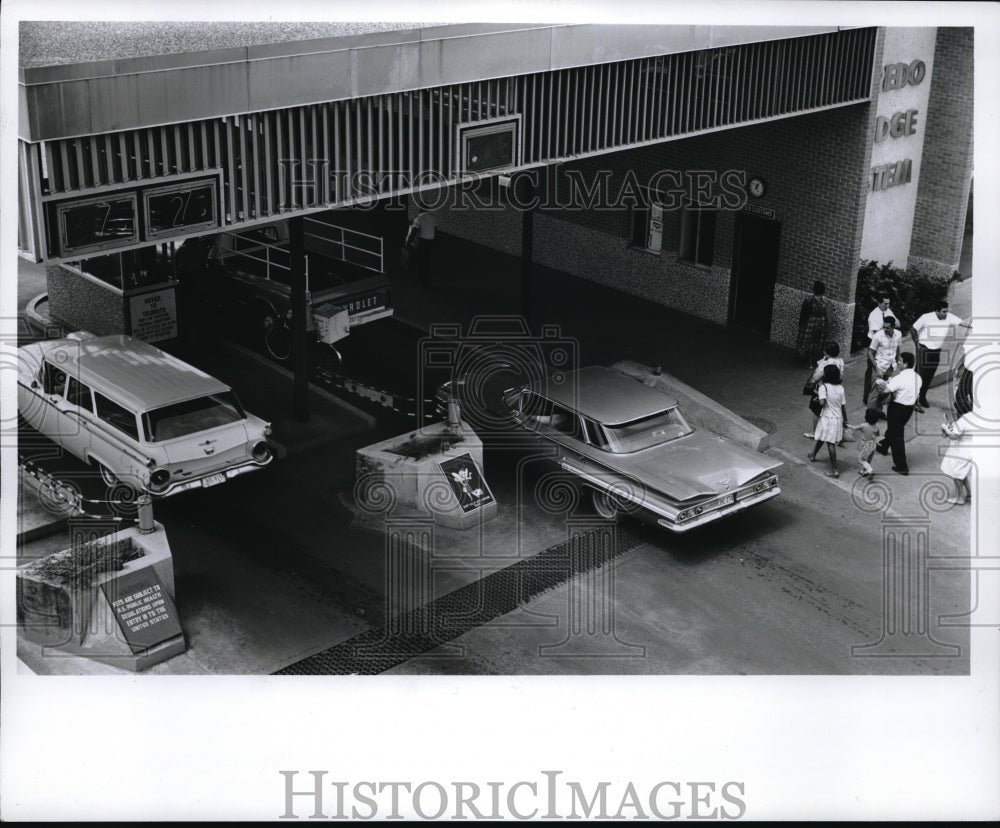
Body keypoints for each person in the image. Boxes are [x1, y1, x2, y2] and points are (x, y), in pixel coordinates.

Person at [910, 299, 972, 411]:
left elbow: (962, 323)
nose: (946, 314)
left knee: (929, 376)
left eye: (947, 311)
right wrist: (917, 345)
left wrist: (977, 327)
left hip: (936, 352)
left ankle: (922, 397)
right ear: (937, 311)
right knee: (919, 376)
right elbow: (913, 329)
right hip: (924, 350)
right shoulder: (926, 317)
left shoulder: (948, 317)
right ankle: (913, 401)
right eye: (944, 311)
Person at [874, 351, 922, 475]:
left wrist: (882, 385)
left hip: (897, 408)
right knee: (894, 429)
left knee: (897, 436)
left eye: (900, 361)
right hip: (909, 408)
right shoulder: (918, 378)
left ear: (905, 364)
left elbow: (885, 391)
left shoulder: (900, 378)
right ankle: (884, 446)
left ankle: (902, 465)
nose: (898, 362)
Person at [807, 363, 847, 478]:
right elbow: (842, 406)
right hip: (838, 417)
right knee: (824, 437)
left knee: (830, 443)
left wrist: (818, 396)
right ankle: (813, 454)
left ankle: (835, 470)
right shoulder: (840, 388)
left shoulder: (823, 387)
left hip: (827, 418)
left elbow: (822, 403)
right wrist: (846, 420)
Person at [803, 341, 845, 439]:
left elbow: (816, 377)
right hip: (836, 389)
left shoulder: (826, 363)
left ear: (828, 353)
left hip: (823, 389)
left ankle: (815, 433)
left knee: (817, 411)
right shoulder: (840, 362)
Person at [863, 295, 894, 405]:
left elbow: (897, 322)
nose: (888, 306)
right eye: (885, 303)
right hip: (875, 344)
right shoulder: (874, 316)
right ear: (879, 303)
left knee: (883, 371)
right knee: (872, 370)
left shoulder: (887, 310)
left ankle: (879, 397)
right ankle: (867, 397)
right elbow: (877, 335)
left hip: (884, 344)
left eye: (888, 303)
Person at [940, 412, 975, 505]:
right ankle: (970, 493)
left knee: (957, 474)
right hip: (973, 449)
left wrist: (945, 427)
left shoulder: (966, 419)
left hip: (961, 451)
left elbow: (953, 436)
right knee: (962, 472)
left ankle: (959, 497)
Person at [867, 316, 902, 410]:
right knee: (874, 393)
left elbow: (898, 348)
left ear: (893, 327)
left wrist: (898, 361)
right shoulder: (877, 336)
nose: (885, 329)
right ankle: (871, 415)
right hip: (879, 367)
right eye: (884, 327)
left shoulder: (898, 334)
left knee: (885, 391)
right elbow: (870, 353)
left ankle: (878, 411)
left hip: (891, 367)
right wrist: (876, 368)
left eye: (887, 327)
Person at [797, 280, 828, 367]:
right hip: (820, 323)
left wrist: (801, 324)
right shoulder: (825, 301)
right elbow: (826, 314)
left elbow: (803, 314)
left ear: (814, 290)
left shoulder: (809, 300)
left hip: (809, 323)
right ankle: (813, 361)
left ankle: (808, 361)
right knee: (816, 343)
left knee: (807, 342)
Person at [846, 408, 882, 477]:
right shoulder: (877, 426)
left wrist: (848, 425)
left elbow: (854, 428)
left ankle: (870, 470)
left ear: (866, 418)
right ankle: (864, 471)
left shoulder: (863, 425)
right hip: (873, 445)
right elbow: (878, 435)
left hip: (867, 445)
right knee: (868, 459)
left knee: (861, 459)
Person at [408, 209, 437, 288]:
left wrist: (408, 243)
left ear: (420, 209)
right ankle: (427, 281)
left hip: (422, 242)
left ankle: (422, 281)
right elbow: (435, 230)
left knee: (421, 261)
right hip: (430, 242)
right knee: (427, 262)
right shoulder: (433, 217)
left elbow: (413, 232)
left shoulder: (419, 218)